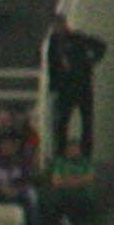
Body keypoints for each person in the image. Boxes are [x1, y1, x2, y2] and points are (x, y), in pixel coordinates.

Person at [44, 16, 108, 160]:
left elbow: (101, 46)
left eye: (59, 25)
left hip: (82, 86)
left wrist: (89, 62)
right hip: (65, 89)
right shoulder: (53, 44)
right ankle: (60, 154)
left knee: (87, 122)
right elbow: (51, 67)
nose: (57, 29)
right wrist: (53, 87)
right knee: (62, 123)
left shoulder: (77, 38)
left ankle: (86, 154)